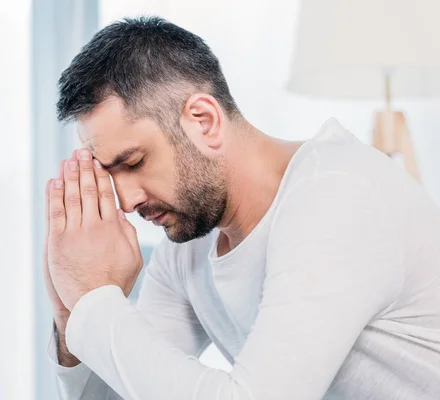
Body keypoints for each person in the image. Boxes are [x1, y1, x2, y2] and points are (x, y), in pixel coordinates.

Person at [43, 16, 440, 399]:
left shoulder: (338, 198)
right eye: (111, 175)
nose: (126, 202)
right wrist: (73, 313)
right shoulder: (189, 246)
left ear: (203, 121)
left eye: (134, 163)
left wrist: (97, 301)